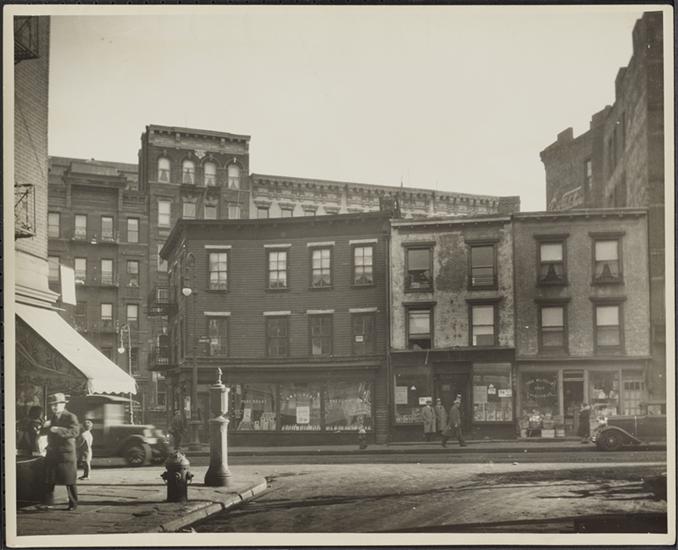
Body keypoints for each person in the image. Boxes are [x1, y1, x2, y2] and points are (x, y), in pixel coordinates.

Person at [40, 393, 80, 511]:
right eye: (52, 405)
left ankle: (73, 503)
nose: (54, 407)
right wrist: (45, 426)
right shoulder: (52, 417)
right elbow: (44, 432)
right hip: (53, 452)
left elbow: (75, 432)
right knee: (49, 478)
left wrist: (59, 429)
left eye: (57, 404)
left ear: (63, 405)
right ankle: (47, 503)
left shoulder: (71, 416)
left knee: (69, 480)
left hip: (66, 453)